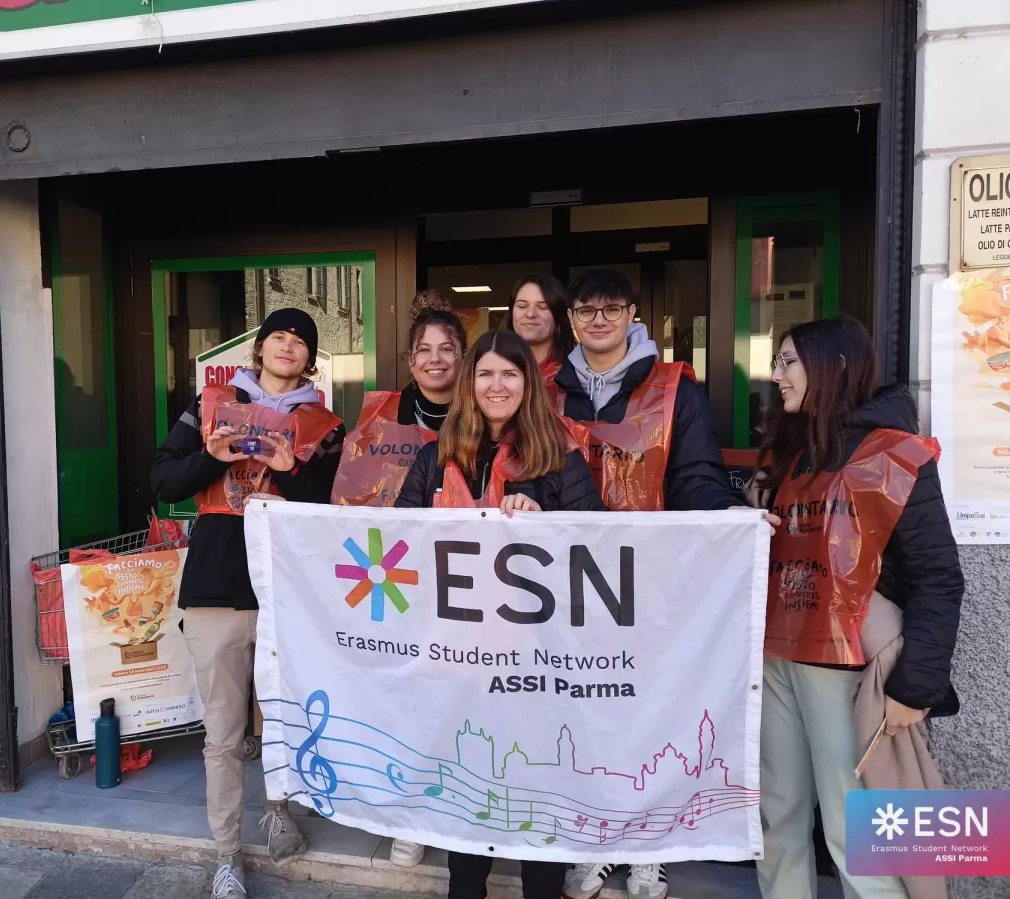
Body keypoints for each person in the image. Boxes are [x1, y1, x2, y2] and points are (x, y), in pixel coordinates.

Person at [752, 318, 963, 899]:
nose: (776, 375)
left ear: (834, 366)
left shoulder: (896, 455)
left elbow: (939, 578)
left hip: (846, 665)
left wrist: (914, 689)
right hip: (778, 656)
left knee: (857, 827)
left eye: (788, 361)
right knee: (778, 815)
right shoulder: (793, 451)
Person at [395, 329, 602, 899]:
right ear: (469, 382)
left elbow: (600, 548)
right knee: (469, 796)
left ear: (527, 383)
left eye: (509, 374)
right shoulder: (434, 457)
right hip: (458, 659)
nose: (496, 385)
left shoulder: (559, 458)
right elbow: (396, 540)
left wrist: (545, 525)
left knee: (538, 800)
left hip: (536, 667)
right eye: (485, 373)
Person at [151, 308, 345, 899]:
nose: (288, 347)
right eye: (278, 337)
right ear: (259, 349)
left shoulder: (325, 423)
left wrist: (292, 473)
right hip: (216, 585)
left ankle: (280, 809)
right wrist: (215, 456)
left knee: (286, 718)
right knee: (223, 729)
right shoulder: (211, 404)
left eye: (300, 342)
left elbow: (340, 502)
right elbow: (162, 482)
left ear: (311, 360)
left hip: (292, 588)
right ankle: (227, 851)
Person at [557, 270, 736, 898]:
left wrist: (730, 526)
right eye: (586, 309)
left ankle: (648, 850)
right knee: (586, 718)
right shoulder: (548, 390)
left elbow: (698, 476)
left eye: (612, 308)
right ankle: (598, 839)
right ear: (571, 319)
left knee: (653, 716)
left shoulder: (674, 389)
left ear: (633, 313)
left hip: (651, 584)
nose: (599, 319)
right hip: (569, 586)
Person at [329, 290, 466, 865]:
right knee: (407, 694)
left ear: (463, 356)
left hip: (462, 586)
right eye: (424, 351)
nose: (435, 359)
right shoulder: (379, 416)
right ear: (410, 361)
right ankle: (414, 814)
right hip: (394, 576)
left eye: (447, 349)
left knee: (460, 700)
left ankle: (452, 807)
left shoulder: (485, 412)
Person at [508, 273, 575, 383]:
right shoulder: (494, 367)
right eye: (522, 306)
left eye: (543, 307)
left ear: (558, 315)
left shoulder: (578, 373)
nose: (530, 314)